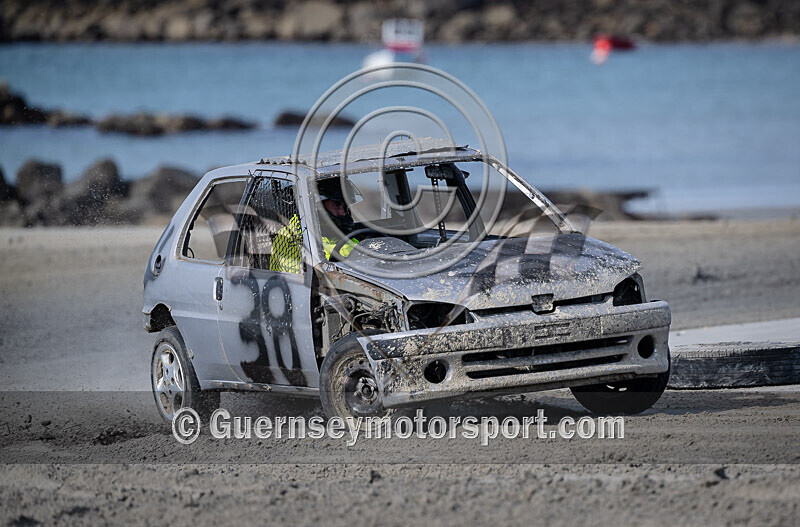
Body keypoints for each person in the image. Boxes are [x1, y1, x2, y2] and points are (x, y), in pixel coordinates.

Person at [268, 178, 359, 274]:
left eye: (344, 206)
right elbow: (294, 281)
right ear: (317, 206)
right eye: (336, 205)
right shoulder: (292, 237)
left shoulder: (343, 233)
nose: (342, 213)